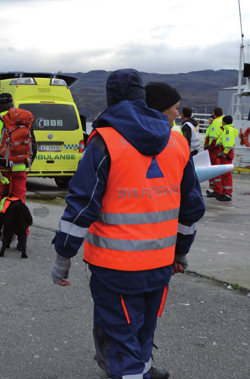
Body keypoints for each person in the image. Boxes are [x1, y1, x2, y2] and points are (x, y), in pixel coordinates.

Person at [50, 69, 205, 379]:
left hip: (115, 268)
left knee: (121, 343)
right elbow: (192, 208)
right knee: (142, 335)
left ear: (111, 98)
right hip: (160, 265)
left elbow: (82, 207)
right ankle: (143, 372)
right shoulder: (176, 141)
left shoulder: (104, 140)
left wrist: (63, 256)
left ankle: (134, 373)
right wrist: (180, 252)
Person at [0, 92, 36, 251]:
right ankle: (21, 241)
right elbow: (33, 147)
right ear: (12, 105)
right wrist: (24, 164)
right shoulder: (24, 120)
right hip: (19, 170)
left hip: (0, 172)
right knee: (19, 203)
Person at [214, 115, 239, 202]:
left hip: (225, 157)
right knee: (224, 175)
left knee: (226, 175)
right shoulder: (227, 130)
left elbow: (228, 145)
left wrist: (223, 154)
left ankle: (227, 194)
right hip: (224, 156)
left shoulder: (228, 131)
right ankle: (225, 193)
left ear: (224, 122)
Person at [204, 107, 225, 198]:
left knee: (215, 170)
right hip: (222, 149)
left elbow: (213, 137)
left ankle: (217, 190)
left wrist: (210, 147)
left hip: (214, 150)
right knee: (220, 169)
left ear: (214, 113)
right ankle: (219, 189)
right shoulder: (223, 121)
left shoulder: (215, 123)